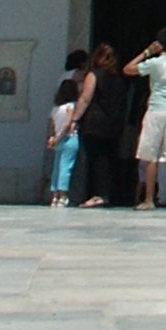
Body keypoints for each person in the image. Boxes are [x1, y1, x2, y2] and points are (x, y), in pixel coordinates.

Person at [125, 29, 166, 212]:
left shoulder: (154, 63)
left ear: (159, 45)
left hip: (156, 110)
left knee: (150, 155)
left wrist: (146, 52)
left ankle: (148, 200)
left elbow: (128, 69)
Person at [72, 43, 126, 208]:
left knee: (96, 159)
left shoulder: (94, 75)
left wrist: (74, 119)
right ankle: (107, 194)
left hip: (95, 123)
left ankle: (98, 194)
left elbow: (85, 98)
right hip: (113, 124)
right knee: (109, 159)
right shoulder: (118, 79)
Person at [47, 72, 81, 207]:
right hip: (69, 139)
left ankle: (54, 196)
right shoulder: (71, 106)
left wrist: (53, 138)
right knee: (66, 167)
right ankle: (63, 196)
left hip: (58, 142)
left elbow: (52, 126)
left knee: (57, 167)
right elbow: (67, 124)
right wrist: (59, 137)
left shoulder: (55, 109)